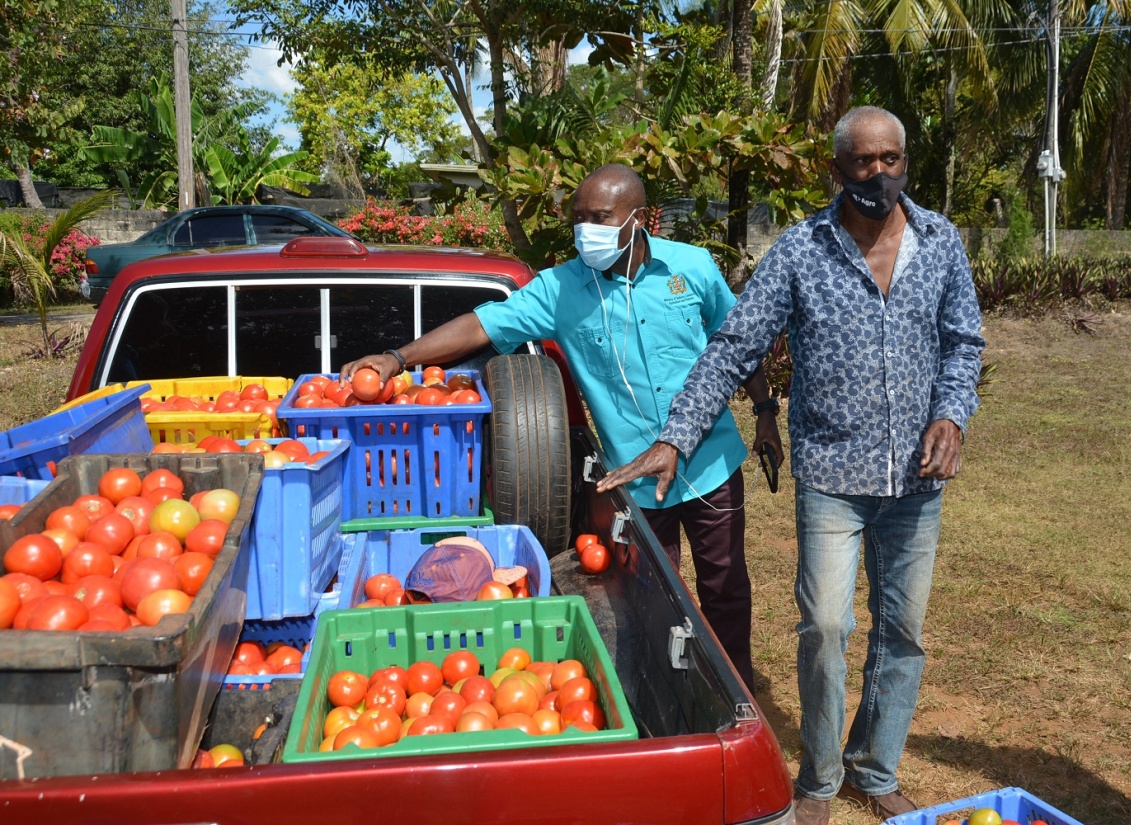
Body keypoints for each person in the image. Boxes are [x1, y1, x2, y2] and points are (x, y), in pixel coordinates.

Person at [596, 107, 985, 824]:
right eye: (864, 161)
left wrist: (953, 413)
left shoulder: (940, 241)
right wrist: (678, 436)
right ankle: (821, 774)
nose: (880, 173)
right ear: (838, 170)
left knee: (902, 631)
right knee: (826, 628)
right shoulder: (802, 249)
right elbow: (736, 345)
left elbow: (963, 340)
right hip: (833, 477)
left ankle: (877, 764)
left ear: (906, 162)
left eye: (891, 158)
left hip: (916, 480)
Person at [339, 163, 782, 694]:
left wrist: (764, 413)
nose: (585, 230)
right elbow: (480, 325)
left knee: (726, 590)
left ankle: (739, 698)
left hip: (710, 465)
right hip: (635, 482)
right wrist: (398, 357)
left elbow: (737, 345)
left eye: (599, 217)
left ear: (638, 220)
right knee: (656, 603)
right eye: (578, 218)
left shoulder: (693, 268)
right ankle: (675, 706)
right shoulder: (559, 289)